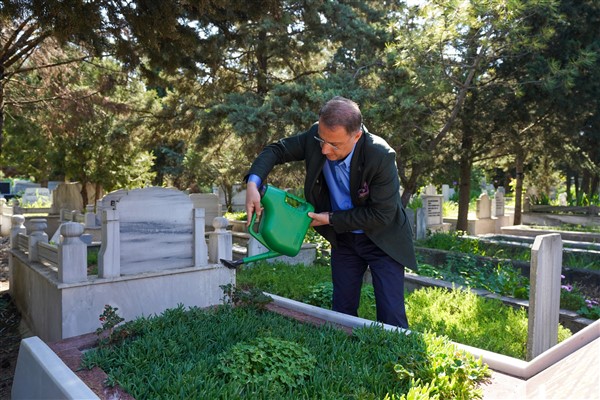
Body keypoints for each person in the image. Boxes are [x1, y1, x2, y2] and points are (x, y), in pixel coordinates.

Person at [244, 96, 417, 329]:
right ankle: (345, 358)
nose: (324, 149)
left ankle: (397, 360)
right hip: (343, 239)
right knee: (342, 311)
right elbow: (277, 150)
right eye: (321, 140)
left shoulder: (380, 155)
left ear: (356, 136)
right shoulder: (318, 136)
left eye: (334, 145)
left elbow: (381, 215)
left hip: (382, 240)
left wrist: (330, 219)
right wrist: (253, 184)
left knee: (391, 315)